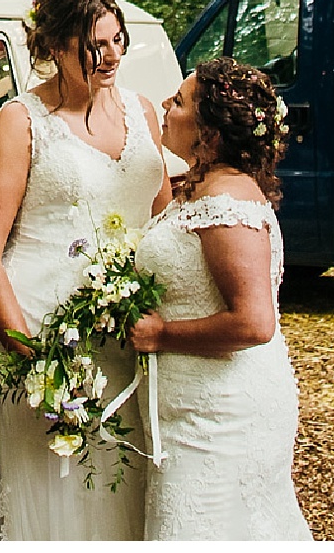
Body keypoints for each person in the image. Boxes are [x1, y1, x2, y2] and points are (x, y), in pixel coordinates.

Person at [0, 0, 169, 540]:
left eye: (117, 40)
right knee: (60, 490)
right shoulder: (20, 122)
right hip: (46, 331)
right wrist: (35, 363)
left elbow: (162, 223)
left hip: (130, 332)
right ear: (54, 48)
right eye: (93, 47)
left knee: (129, 480)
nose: (110, 57)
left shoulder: (144, 111)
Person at [128, 58, 314, 541]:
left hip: (222, 419)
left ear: (209, 133)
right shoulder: (198, 188)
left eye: (181, 101)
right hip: (195, 412)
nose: (167, 105)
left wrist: (161, 334)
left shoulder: (226, 204)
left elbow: (254, 323)